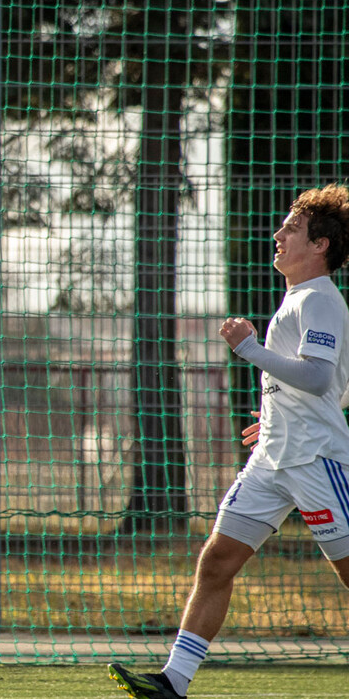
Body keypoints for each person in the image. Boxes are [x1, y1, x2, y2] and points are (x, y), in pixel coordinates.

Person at [109, 184, 349, 699]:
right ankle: (172, 683)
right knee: (217, 560)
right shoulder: (301, 300)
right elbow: (330, 386)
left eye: (292, 228)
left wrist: (249, 349)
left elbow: (317, 380)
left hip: (316, 461)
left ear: (321, 245)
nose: (277, 235)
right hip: (274, 457)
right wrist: (277, 418)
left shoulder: (320, 301)